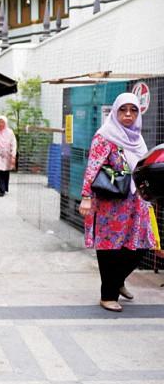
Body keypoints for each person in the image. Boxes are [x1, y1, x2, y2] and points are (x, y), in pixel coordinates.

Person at [79, 92, 157, 312]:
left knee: (143, 243)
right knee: (110, 247)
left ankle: (118, 279)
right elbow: (92, 167)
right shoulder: (104, 137)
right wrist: (86, 197)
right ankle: (108, 294)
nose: (128, 115)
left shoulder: (137, 137)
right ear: (115, 112)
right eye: (123, 110)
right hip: (111, 202)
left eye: (133, 110)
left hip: (136, 202)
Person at [0, 115, 17, 196]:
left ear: (5, 123)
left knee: (6, 172)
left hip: (7, 155)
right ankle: (1, 190)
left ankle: (5, 187)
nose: (0, 124)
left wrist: (13, 155)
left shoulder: (10, 132)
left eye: (2, 122)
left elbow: (14, 144)